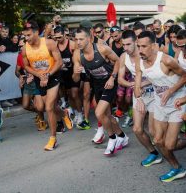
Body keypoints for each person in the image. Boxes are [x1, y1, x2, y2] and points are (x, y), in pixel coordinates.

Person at [135, 31, 186, 182]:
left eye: (144, 46)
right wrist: (138, 95)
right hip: (160, 103)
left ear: (154, 46)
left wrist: (171, 90)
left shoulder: (166, 60)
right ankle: (177, 168)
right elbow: (137, 84)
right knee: (157, 140)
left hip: (177, 101)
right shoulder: (140, 62)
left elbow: (185, 76)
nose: (140, 50)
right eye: (138, 46)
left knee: (170, 145)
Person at [73, 27, 129, 156]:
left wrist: (113, 77)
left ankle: (112, 138)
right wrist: (76, 73)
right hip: (97, 84)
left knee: (98, 112)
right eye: (76, 39)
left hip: (109, 82)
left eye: (81, 39)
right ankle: (122, 136)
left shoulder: (102, 48)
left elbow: (118, 61)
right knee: (107, 116)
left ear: (88, 38)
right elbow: (75, 78)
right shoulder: (77, 54)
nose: (78, 42)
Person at [22, 21, 70, 151]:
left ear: (37, 32)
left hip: (53, 75)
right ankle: (64, 114)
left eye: (29, 35)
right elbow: (26, 66)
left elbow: (59, 62)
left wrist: (47, 75)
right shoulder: (24, 48)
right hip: (39, 78)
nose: (27, 38)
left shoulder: (49, 43)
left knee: (48, 107)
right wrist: (38, 75)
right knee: (52, 107)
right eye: (25, 36)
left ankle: (52, 139)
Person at [118, 30, 161, 166]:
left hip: (153, 94)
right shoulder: (123, 57)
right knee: (137, 129)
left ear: (136, 41)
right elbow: (120, 79)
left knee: (154, 132)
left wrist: (141, 83)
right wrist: (131, 84)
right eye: (123, 45)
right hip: (139, 95)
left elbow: (158, 74)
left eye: (128, 44)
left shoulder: (146, 54)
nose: (125, 48)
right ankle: (154, 153)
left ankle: (170, 143)